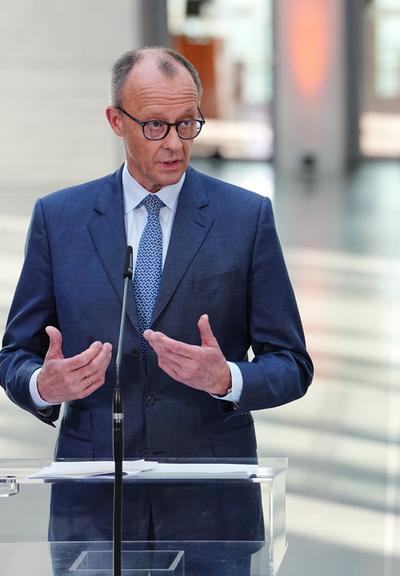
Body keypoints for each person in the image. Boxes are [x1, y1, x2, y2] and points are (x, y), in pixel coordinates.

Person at [0, 47, 312, 564]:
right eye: (155, 126)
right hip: (95, 505)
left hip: (211, 507)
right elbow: (14, 355)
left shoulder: (245, 217)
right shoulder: (60, 219)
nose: (174, 143)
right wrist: (43, 385)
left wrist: (228, 379)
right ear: (115, 121)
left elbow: (293, 365)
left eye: (187, 124)